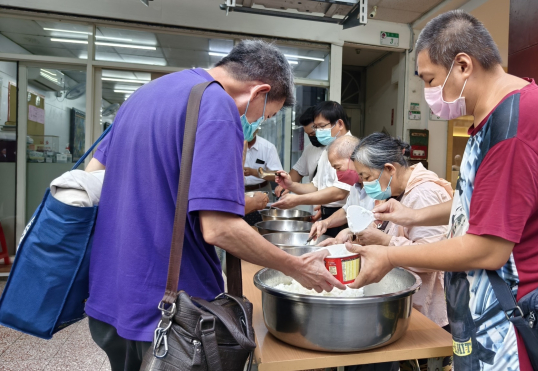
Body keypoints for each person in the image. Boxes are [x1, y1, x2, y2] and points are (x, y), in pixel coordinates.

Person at [346, 10, 538, 371]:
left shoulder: (516, 130)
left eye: (429, 80)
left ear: (462, 65)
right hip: (490, 312)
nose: (428, 93)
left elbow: (487, 249)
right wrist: (411, 215)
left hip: (519, 320)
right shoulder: (492, 120)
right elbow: (477, 202)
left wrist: (390, 256)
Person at [84, 40, 344, 370]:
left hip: (110, 298)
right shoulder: (216, 106)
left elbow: (91, 178)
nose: (258, 124)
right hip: (172, 312)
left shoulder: (144, 95)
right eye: (268, 114)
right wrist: (298, 267)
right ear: (260, 91)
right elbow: (220, 228)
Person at [326, 133, 453, 331]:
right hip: (399, 300)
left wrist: (385, 242)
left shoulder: (424, 193)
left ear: (389, 169)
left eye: (367, 177)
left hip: (423, 313)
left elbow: (432, 257)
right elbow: (384, 227)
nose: (366, 186)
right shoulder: (395, 191)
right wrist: (349, 237)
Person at [272, 101, 352, 237]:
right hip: (326, 216)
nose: (318, 132)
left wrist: (297, 200)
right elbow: (316, 186)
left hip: (342, 219)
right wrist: (292, 185)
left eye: (321, 127)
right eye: (316, 128)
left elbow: (339, 192)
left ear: (339, 124)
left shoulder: (349, 148)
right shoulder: (329, 148)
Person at [308, 135, 373, 239]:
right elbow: (346, 210)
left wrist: (349, 232)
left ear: (352, 157)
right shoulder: (355, 185)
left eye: (338, 168)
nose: (338, 174)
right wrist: (325, 223)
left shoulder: (377, 187)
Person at [274, 106, 325, 221]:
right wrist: (286, 184)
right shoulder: (311, 148)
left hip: (336, 208)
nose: (311, 137)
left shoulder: (338, 150)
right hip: (316, 208)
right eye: (308, 135)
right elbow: (298, 171)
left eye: (313, 133)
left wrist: (296, 198)